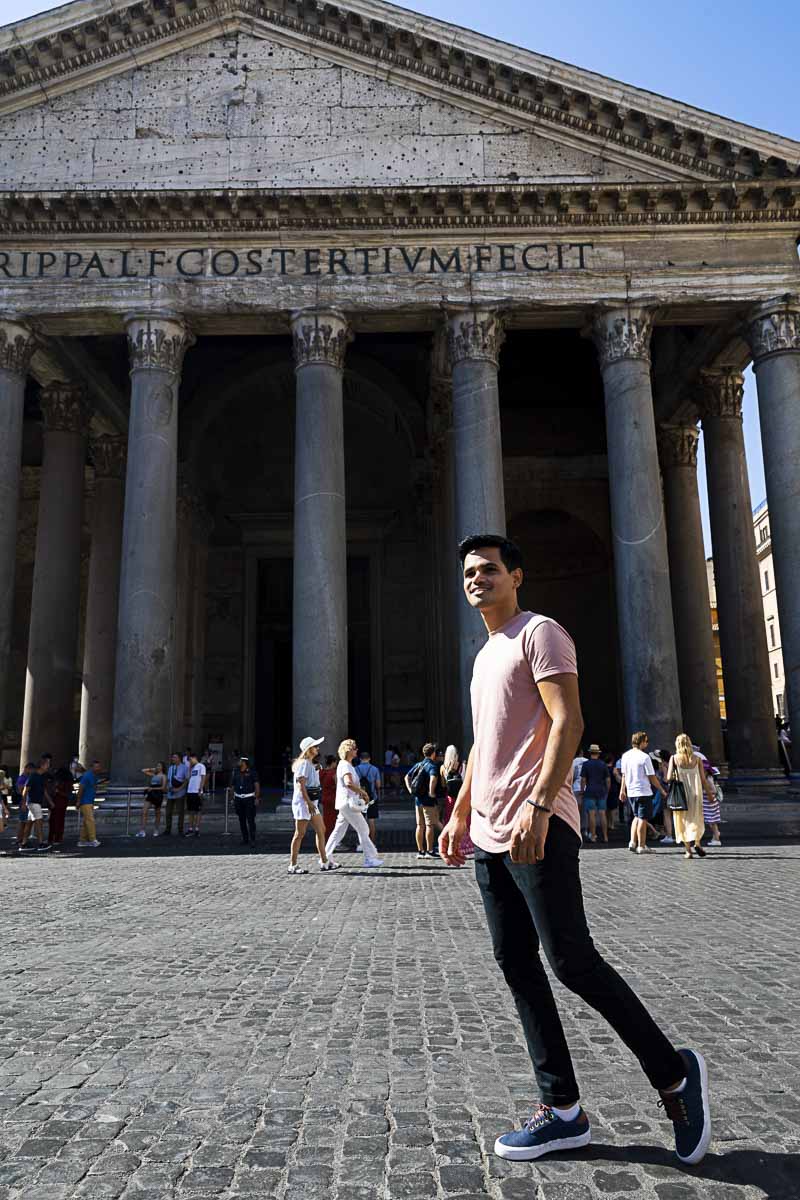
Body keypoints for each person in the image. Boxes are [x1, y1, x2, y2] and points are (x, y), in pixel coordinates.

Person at [440, 533, 710, 1166]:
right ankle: (561, 1109)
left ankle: (674, 1076)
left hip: (537, 823)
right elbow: (484, 742)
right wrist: (457, 812)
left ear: (517, 576)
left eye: (489, 570)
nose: (477, 579)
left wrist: (538, 807)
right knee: (516, 962)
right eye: (469, 573)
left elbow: (569, 722)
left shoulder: (541, 633)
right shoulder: (484, 655)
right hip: (487, 832)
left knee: (571, 961)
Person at [325, 739, 383, 868]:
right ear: (348, 750)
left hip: (344, 803)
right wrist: (363, 792)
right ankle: (370, 858)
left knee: (338, 832)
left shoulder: (345, 764)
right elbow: (349, 783)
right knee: (364, 828)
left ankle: (325, 858)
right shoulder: (345, 765)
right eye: (354, 748)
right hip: (348, 803)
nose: (357, 750)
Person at [290, 737, 338, 873]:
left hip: (311, 803)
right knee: (299, 834)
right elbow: (301, 786)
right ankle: (292, 865)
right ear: (308, 749)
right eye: (315, 746)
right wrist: (309, 803)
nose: (318, 748)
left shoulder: (310, 764)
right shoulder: (304, 764)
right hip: (305, 803)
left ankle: (324, 861)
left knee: (321, 829)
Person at [666, 735, 716, 860]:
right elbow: (703, 779)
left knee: (682, 820)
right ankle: (697, 843)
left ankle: (688, 851)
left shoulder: (674, 758)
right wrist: (709, 794)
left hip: (681, 794)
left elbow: (668, 778)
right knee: (697, 818)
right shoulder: (697, 759)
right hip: (696, 793)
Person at [620, 732, 666, 855]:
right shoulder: (645, 757)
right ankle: (641, 845)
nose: (647, 743)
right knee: (642, 818)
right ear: (641, 742)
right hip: (643, 791)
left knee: (636, 816)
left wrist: (622, 790)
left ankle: (632, 842)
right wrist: (661, 789)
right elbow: (651, 776)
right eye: (646, 741)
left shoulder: (625, 756)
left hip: (631, 791)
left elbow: (624, 775)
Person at [406, 742, 442, 858]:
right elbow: (433, 778)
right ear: (433, 753)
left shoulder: (418, 764)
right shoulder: (432, 766)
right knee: (429, 825)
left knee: (419, 825)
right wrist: (431, 792)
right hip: (428, 801)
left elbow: (407, 776)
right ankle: (430, 850)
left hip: (418, 800)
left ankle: (420, 851)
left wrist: (410, 789)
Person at [441, 744, 474, 859]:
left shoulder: (443, 767)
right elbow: (466, 781)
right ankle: (466, 845)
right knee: (464, 819)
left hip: (449, 798)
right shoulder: (462, 765)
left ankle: (451, 844)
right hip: (460, 797)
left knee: (449, 820)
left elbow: (443, 784)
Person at [579, 744, 610, 843]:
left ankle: (593, 836)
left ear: (590, 753)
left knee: (591, 814)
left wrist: (582, 790)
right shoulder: (603, 764)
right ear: (598, 753)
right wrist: (607, 791)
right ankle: (605, 837)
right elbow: (608, 780)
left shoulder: (586, 764)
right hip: (601, 790)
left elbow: (583, 780)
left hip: (590, 791)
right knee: (602, 813)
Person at [231, 755, 261, 849]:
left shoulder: (252, 772)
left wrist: (256, 797)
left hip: (249, 798)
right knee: (241, 819)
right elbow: (233, 785)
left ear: (244, 762)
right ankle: (245, 839)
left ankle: (253, 840)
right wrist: (232, 798)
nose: (238, 762)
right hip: (238, 798)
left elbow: (256, 785)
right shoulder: (236, 772)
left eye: (240, 761)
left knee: (251, 820)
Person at [21, 757, 50, 851]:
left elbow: (43, 791)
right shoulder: (33, 776)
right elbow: (25, 790)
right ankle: (41, 843)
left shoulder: (40, 777)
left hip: (34, 802)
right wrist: (23, 803)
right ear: (42, 766)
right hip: (33, 802)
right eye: (47, 764)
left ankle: (24, 843)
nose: (48, 766)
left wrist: (50, 801)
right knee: (39, 822)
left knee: (29, 823)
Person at [356, 751, 382, 847]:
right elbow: (378, 785)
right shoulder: (374, 769)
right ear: (369, 758)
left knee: (360, 821)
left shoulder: (356, 769)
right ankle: (371, 842)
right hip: (372, 798)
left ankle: (361, 843)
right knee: (371, 821)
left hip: (360, 798)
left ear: (360, 759)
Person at [76, 759, 101, 848]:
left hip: (90, 801)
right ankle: (92, 839)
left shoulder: (94, 776)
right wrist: (78, 800)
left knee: (86, 821)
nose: (98, 768)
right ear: (92, 767)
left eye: (99, 766)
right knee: (90, 820)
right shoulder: (87, 776)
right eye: (96, 767)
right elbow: (81, 788)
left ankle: (83, 840)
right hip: (85, 801)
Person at [138, 762, 166, 837]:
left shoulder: (163, 776)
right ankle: (142, 830)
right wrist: (152, 769)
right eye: (157, 766)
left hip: (158, 794)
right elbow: (143, 770)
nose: (158, 767)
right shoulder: (154, 775)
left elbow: (163, 788)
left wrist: (153, 788)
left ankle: (156, 829)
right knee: (144, 811)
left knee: (157, 813)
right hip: (151, 794)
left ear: (163, 767)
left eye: (159, 766)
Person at [49, 766, 74, 848]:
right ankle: (58, 838)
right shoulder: (68, 782)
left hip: (57, 802)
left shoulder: (60, 782)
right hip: (63, 803)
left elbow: (64, 793)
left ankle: (53, 838)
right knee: (60, 821)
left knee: (54, 821)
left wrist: (58, 791)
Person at [165, 753, 189, 836]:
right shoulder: (171, 768)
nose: (173, 759)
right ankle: (168, 829)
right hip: (170, 793)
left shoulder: (184, 768)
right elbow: (168, 779)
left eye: (175, 757)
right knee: (168, 812)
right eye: (172, 757)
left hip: (180, 793)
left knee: (180, 812)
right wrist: (168, 786)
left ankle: (180, 829)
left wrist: (179, 788)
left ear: (179, 758)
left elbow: (186, 780)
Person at [186, 752, 206, 837]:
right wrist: (190, 768)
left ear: (194, 758)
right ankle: (190, 828)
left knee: (198, 811)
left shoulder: (201, 766)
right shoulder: (192, 767)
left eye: (190, 760)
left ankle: (197, 829)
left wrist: (200, 789)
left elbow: (203, 778)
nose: (190, 761)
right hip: (190, 791)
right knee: (191, 811)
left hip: (196, 791)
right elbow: (189, 778)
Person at [319, 754, 338, 840]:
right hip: (333, 799)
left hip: (324, 797)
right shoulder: (333, 773)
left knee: (326, 819)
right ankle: (333, 840)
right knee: (333, 821)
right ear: (333, 763)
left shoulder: (321, 772)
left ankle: (325, 838)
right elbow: (338, 786)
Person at [571, 748, 588, 837]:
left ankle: (576, 828)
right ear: (581, 752)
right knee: (585, 811)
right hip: (586, 788)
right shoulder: (587, 761)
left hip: (576, 788)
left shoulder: (573, 762)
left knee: (576, 810)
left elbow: (571, 777)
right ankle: (584, 829)